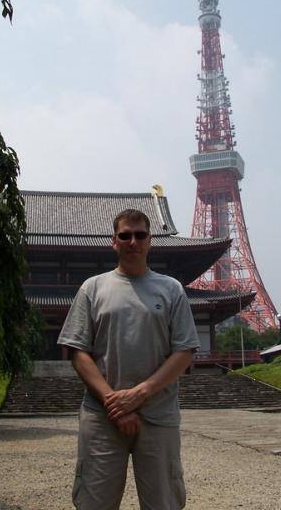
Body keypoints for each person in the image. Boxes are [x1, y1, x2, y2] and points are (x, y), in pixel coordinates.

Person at [58, 208, 199, 510]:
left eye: (140, 235)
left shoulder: (171, 289)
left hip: (158, 414)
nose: (132, 241)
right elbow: (78, 352)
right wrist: (115, 403)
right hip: (102, 415)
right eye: (125, 235)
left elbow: (184, 351)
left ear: (150, 241)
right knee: (94, 502)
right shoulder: (93, 288)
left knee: (164, 501)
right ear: (114, 241)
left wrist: (139, 394)